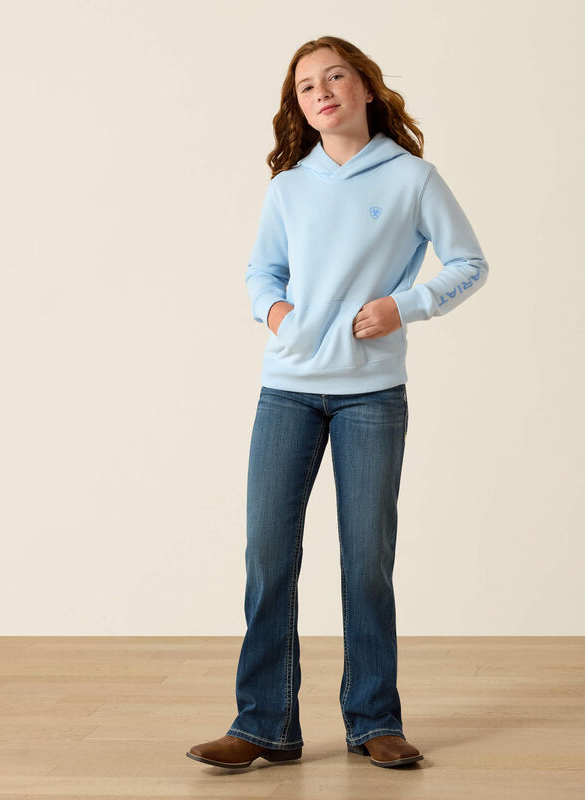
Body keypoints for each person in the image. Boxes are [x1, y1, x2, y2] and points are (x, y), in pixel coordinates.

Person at [187, 35, 489, 771]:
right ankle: (263, 725)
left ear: (365, 88)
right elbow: (262, 269)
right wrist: (278, 314)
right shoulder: (289, 186)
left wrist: (406, 305)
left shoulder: (414, 178)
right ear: (300, 109)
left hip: (371, 397)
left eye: (335, 77)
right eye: (306, 88)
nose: (321, 92)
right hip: (288, 390)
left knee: (365, 561)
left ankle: (373, 720)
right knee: (268, 554)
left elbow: (470, 263)